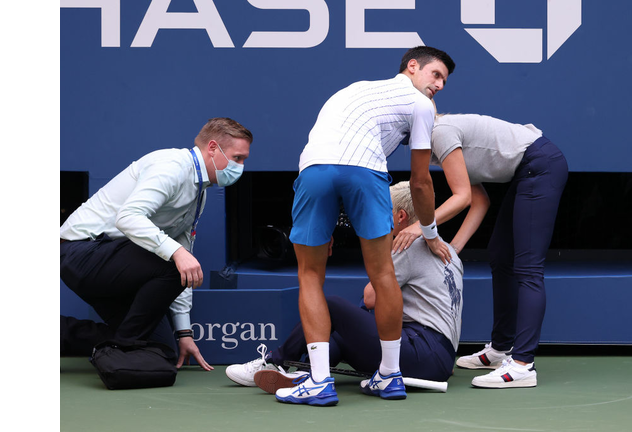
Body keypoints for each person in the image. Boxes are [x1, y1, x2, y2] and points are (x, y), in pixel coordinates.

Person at [282, 46, 456, 406]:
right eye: (435, 75)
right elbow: (421, 183)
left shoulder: (353, 89)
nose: (438, 85)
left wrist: (327, 223)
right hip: (366, 173)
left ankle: (318, 381)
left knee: (310, 275)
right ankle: (390, 376)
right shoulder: (422, 106)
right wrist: (431, 233)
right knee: (383, 274)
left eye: (443, 81)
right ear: (412, 66)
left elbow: (332, 160)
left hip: (314, 170)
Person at [225, 181, 463, 401]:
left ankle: (274, 361)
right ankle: (305, 373)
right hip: (440, 360)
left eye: (383, 210)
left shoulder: (407, 244)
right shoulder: (450, 252)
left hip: (420, 351)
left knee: (331, 305)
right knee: (339, 335)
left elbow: (370, 298)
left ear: (401, 216)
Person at [60, 117, 253, 373]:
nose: (240, 166)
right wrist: (175, 251)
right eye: (237, 158)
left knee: (161, 350)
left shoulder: (199, 193)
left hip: (114, 266)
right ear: (213, 148)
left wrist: (184, 331)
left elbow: (185, 266)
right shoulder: (171, 166)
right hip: (80, 252)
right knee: (174, 261)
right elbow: (128, 217)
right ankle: (123, 348)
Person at [392, 113, 568, 388]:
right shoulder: (436, 143)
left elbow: (462, 198)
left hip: (540, 165)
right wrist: (452, 250)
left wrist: (421, 228)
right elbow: (480, 200)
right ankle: (501, 349)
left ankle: (523, 365)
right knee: (500, 254)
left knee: (528, 268)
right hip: (529, 169)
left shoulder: (441, 133)